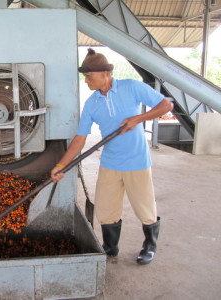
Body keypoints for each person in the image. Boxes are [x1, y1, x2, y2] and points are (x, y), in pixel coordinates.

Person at [51, 48, 173, 265]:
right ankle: (110, 247)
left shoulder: (131, 87)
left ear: (105, 73)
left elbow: (166, 104)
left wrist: (138, 118)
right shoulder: (91, 104)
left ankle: (149, 245)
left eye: (89, 76)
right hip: (110, 163)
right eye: (85, 77)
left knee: (145, 208)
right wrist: (61, 164)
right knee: (106, 210)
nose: (86, 80)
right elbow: (80, 139)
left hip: (137, 161)